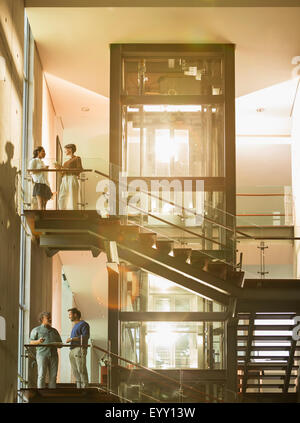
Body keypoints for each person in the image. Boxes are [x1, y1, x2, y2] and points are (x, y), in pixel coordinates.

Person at [30, 312, 62, 389]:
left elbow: (60, 344)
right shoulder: (36, 330)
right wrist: (38, 341)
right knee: (41, 375)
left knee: (53, 376)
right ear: (42, 319)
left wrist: (56, 344)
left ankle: (52, 395)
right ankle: (40, 394)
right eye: (48, 318)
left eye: (50, 317)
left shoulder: (54, 331)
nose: (50, 319)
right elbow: (31, 342)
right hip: (42, 355)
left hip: (54, 355)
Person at [66, 308, 90, 389]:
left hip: (79, 349)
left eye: (70, 314)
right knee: (75, 371)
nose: (69, 317)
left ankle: (85, 390)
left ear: (75, 314)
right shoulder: (75, 326)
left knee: (81, 370)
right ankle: (79, 389)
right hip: (72, 350)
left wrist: (72, 339)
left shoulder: (84, 324)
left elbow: (86, 336)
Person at [56, 144, 83, 210]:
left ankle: (75, 213)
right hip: (64, 178)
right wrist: (59, 168)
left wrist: (67, 170)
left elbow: (80, 169)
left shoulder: (77, 158)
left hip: (72, 177)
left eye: (65, 149)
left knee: (73, 197)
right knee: (62, 197)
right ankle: (62, 212)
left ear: (70, 149)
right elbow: (62, 173)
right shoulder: (66, 162)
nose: (65, 151)